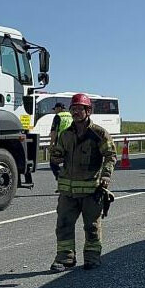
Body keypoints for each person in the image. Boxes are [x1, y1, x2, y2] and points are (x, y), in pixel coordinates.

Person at [49, 93, 117, 271]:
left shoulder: (99, 134)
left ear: (89, 111)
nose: (76, 112)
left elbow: (110, 155)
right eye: (74, 108)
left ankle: (92, 257)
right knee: (63, 224)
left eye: (80, 109)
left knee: (92, 227)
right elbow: (58, 154)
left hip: (91, 191)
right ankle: (65, 258)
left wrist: (106, 175)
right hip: (68, 192)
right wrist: (55, 155)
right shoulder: (65, 135)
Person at [49, 103, 72, 180]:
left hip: (61, 143)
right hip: (72, 142)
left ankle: (60, 178)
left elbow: (54, 132)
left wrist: (51, 144)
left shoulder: (58, 116)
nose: (54, 111)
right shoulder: (70, 115)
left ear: (59, 108)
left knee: (53, 162)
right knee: (68, 162)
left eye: (55, 109)